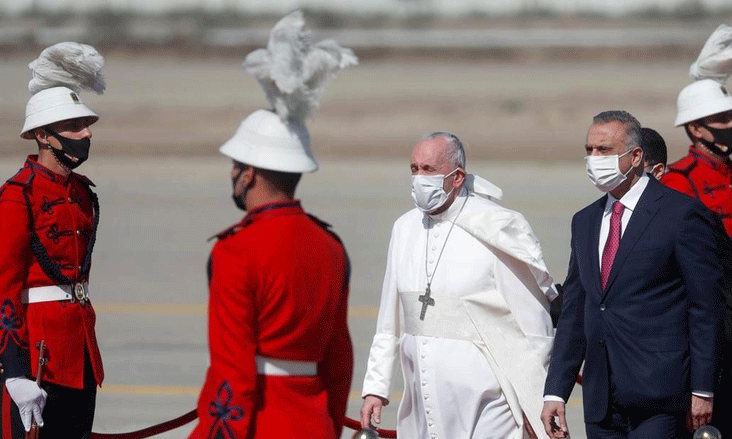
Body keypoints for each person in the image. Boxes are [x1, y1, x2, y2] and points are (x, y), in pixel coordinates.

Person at [187, 11, 356, 439]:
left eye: (235, 166)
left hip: (258, 424)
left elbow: (233, 369)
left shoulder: (235, 251)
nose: (232, 174)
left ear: (249, 173)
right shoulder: (331, 247)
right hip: (314, 424)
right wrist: (329, 425)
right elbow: (339, 358)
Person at [360, 131, 558, 438]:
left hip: (490, 401)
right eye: (414, 169)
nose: (418, 178)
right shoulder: (403, 228)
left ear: (457, 177)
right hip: (421, 399)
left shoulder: (497, 225)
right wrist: (376, 388)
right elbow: (389, 321)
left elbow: (533, 324)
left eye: (428, 170)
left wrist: (535, 403)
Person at [542, 110, 726, 438]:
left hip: (661, 396)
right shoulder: (584, 221)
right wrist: (556, 391)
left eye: (604, 150)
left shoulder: (681, 214)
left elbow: (706, 307)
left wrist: (703, 388)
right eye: (589, 150)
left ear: (636, 156)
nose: (593, 158)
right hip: (600, 397)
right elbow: (575, 311)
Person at [0, 42, 107, 438]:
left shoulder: (84, 193)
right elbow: (1, 289)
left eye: (85, 124)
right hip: (37, 356)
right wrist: (13, 372)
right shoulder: (16, 198)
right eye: (73, 126)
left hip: (80, 354)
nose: (85, 133)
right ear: (42, 135)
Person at [646, 125, 732, 438]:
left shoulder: (693, 211)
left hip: (706, 358)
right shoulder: (683, 180)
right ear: (695, 127)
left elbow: (730, 290)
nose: (730, 126)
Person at [662, 24, 732, 352]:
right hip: (701, 322)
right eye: (722, 119)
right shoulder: (677, 181)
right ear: (696, 129)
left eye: (731, 116)